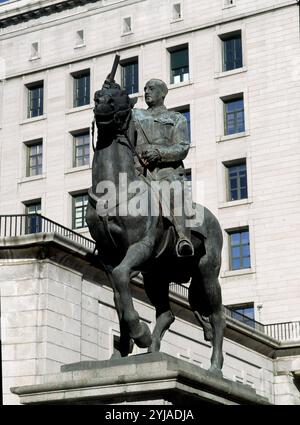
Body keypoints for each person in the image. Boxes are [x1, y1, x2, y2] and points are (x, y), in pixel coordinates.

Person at [132, 78, 194, 257]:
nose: (147, 92)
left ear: (162, 93)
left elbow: (182, 147)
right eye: (145, 89)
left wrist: (159, 153)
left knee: (174, 189)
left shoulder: (176, 118)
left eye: (151, 88)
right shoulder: (136, 115)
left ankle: (183, 237)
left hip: (167, 171)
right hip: (139, 170)